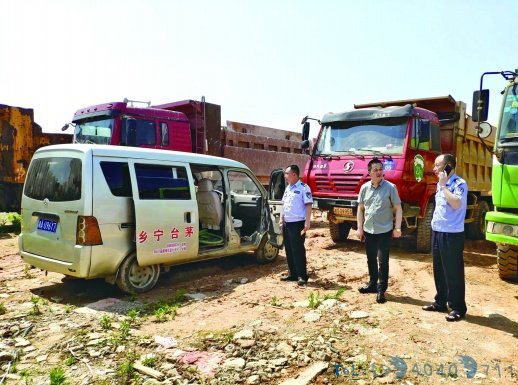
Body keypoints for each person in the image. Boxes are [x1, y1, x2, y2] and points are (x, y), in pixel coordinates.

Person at [422, 154, 468, 322]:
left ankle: (458, 308)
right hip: (438, 231)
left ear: (448, 166)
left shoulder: (459, 184)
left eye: (437, 165)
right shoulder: (440, 185)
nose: (434, 169)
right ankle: (440, 302)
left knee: (453, 271)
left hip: (452, 234)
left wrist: (443, 186)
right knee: (439, 269)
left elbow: (456, 204)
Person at [356, 158, 402, 303]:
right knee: (370, 259)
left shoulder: (390, 187)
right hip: (369, 230)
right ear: (369, 172)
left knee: (383, 261)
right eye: (375, 170)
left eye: (380, 169)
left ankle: (381, 289)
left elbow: (398, 208)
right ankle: (372, 284)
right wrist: (359, 228)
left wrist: (398, 227)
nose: (378, 172)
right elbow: (360, 209)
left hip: (384, 230)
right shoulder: (364, 188)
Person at [279, 164, 313, 286]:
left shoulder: (304, 188)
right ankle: (292, 274)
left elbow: (308, 205)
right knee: (288, 249)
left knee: (298, 249)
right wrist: (281, 218)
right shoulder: (288, 188)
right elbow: (284, 204)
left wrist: (307, 221)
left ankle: (302, 276)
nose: (285, 176)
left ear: (294, 174)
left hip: (297, 224)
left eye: (287, 174)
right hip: (287, 223)